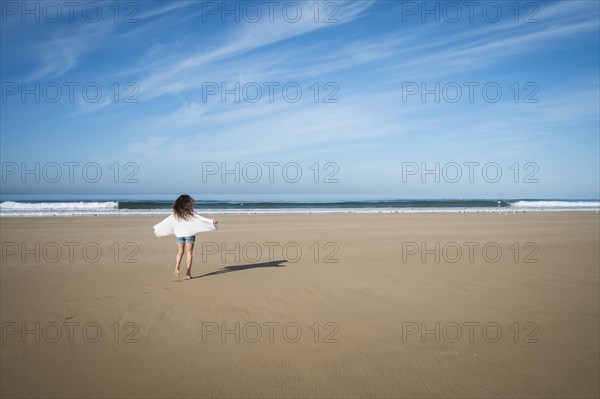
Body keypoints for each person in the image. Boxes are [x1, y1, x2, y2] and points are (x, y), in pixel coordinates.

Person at [172, 194, 218, 279]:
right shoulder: (191, 212)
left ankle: (177, 266)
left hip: (179, 234)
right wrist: (211, 221)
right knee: (189, 253)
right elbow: (200, 219)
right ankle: (188, 272)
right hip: (189, 233)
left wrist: (158, 227)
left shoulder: (176, 212)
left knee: (180, 252)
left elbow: (169, 221)